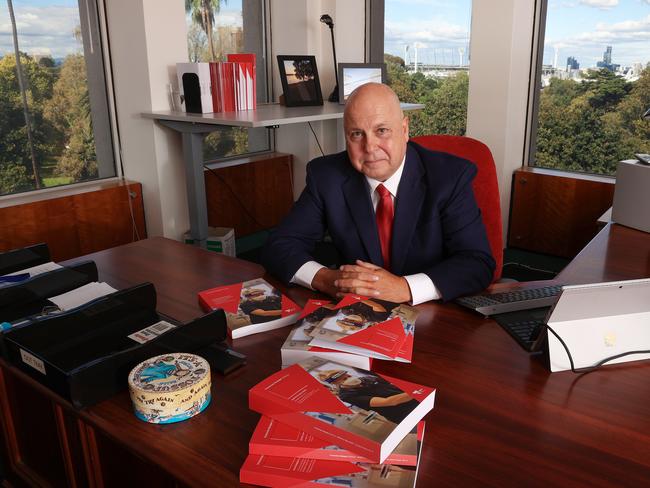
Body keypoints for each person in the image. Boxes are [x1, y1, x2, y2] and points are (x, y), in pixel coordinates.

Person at [261, 83, 494, 304]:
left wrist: (404, 288)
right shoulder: (326, 176)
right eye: (356, 134)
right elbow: (280, 245)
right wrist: (326, 279)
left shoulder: (450, 177)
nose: (370, 147)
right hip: (357, 314)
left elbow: (476, 262)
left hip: (433, 315)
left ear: (404, 129)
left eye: (382, 130)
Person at [317, 370, 418, 425]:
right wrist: (417, 392)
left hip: (415, 401)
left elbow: (393, 384)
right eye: (344, 379)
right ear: (336, 384)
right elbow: (390, 401)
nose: (349, 378)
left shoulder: (366, 379)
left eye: (348, 376)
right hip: (406, 414)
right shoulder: (347, 395)